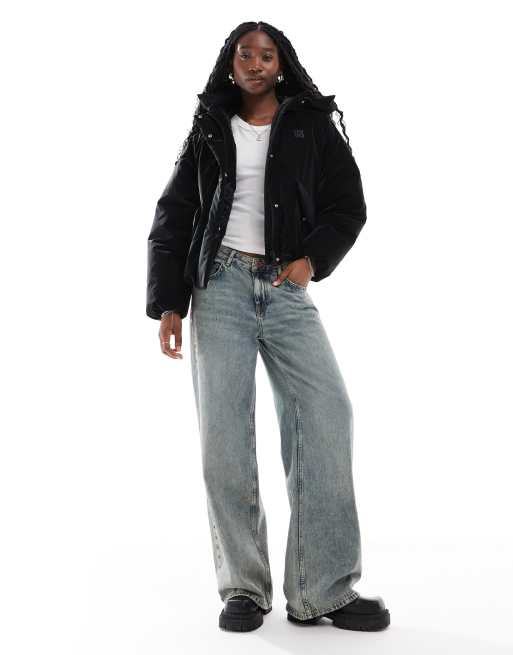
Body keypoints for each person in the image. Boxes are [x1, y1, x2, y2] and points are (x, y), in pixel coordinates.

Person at [146, 20, 390, 633]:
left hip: (284, 284)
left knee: (327, 413)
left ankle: (322, 590)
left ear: (282, 64)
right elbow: (174, 213)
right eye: (245, 54)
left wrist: (313, 260)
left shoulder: (310, 123)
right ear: (230, 63)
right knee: (225, 436)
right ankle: (243, 589)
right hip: (219, 285)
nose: (255, 63)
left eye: (267, 55)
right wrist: (169, 302)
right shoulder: (209, 126)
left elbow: (348, 204)